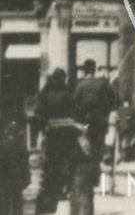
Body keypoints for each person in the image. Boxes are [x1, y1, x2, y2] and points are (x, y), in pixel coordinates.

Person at [71, 59, 115, 215]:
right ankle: (96, 171)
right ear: (95, 69)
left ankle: (88, 178)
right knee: (97, 151)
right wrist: (106, 111)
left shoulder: (80, 84)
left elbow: (74, 102)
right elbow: (113, 98)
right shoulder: (102, 83)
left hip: (85, 123)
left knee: (84, 151)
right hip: (99, 122)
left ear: (84, 70)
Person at [35, 68, 75, 214]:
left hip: (51, 133)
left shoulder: (45, 92)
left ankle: (50, 190)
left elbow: (38, 113)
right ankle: (62, 188)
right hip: (65, 134)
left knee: (50, 162)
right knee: (64, 161)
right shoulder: (68, 92)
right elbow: (75, 111)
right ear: (63, 78)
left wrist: (43, 127)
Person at [0, 101, 29, 215]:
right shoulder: (18, 141)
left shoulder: (8, 141)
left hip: (9, 176)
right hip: (13, 175)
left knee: (7, 203)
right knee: (13, 203)